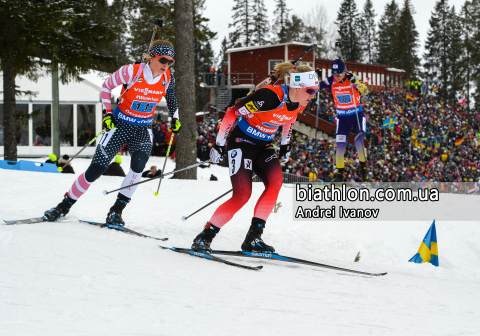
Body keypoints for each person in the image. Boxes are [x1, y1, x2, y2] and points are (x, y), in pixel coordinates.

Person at [42, 40, 181, 225]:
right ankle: (63, 206)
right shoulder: (131, 71)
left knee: (138, 167)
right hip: (119, 125)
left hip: (142, 128)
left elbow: (171, 98)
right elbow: (106, 87)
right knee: (95, 170)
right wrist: (108, 113)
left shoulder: (168, 78)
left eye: (170, 61)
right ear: (152, 57)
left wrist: (175, 118)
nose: (167, 64)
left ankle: (116, 211)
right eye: (163, 59)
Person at [191, 63, 318, 253]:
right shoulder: (269, 96)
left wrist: (285, 145)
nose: (313, 95)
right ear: (297, 86)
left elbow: (289, 119)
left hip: (263, 146)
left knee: (276, 183)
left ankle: (253, 238)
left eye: (315, 91)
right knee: (242, 195)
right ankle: (205, 237)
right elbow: (232, 112)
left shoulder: (300, 102)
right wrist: (219, 144)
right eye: (310, 90)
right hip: (242, 142)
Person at [317, 59, 369, 182]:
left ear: (345, 72)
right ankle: (339, 177)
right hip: (342, 118)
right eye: (334, 74)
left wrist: (355, 81)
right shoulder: (331, 80)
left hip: (357, 116)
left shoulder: (352, 78)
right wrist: (315, 77)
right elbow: (316, 87)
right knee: (339, 148)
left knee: (358, 143)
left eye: (339, 74)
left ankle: (364, 170)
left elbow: (366, 91)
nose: (337, 77)